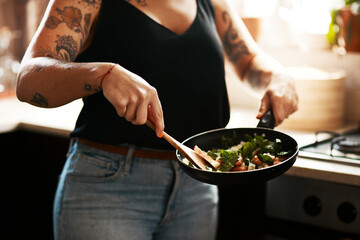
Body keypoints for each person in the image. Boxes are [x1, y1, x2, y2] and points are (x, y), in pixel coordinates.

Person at [16, 0, 298, 239]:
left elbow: (248, 60)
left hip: (197, 185)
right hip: (108, 187)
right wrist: (103, 74)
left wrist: (279, 77)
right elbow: (28, 80)